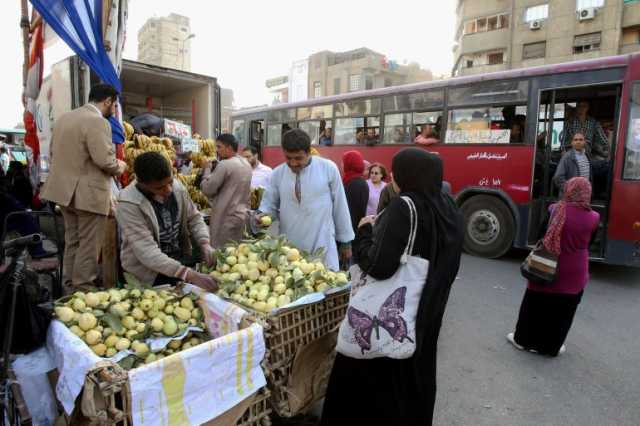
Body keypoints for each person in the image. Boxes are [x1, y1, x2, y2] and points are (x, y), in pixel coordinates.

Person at [321, 148, 464, 426]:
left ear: (403, 175)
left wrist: (363, 233)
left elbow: (378, 266)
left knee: (374, 379)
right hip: (426, 314)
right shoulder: (448, 206)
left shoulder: (405, 205)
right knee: (414, 376)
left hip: (387, 318)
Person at [41, 84, 127, 290]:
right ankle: (83, 288)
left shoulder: (65, 119)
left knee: (73, 242)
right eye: (114, 105)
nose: (114, 111)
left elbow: (53, 153)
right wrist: (120, 166)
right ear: (106, 101)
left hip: (64, 193)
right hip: (88, 196)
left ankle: (69, 287)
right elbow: (104, 160)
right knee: (89, 245)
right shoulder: (97, 122)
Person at [507, 177, 599, 357]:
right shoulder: (594, 217)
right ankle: (551, 347)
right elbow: (590, 243)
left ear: (568, 190)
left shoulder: (555, 210)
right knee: (563, 312)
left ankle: (523, 340)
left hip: (546, 265)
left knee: (534, 304)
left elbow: (541, 234)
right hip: (575, 272)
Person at [116, 152, 217, 290]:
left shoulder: (177, 188)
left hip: (178, 262)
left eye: (170, 182)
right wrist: (188, 274)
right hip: (148, 274)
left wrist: (204, 242)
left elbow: (194, 218)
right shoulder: (128, 203)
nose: (168, 189)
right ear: (143, 184)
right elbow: (147, 251)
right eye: (160, 187)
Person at [258, 129, 354, 271]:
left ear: (309, 152)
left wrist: (346, 242)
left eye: (298, 158)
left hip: (322, 244)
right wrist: (261, 218)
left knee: (324, 286)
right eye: (288, 158)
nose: (293, 163)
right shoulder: (277, 174)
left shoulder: (328, 169)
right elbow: (268, 207)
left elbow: (340, 206)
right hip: (289, 249)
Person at [200, 134, 252, 248]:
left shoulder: (225, 164)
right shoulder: (246, 164)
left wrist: (207, 170)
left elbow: (207, 189)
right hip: (241, 216)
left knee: (222, 253)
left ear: (228, 148)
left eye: (219, 147)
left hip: (225, 218)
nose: (217, 151)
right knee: (236, 253)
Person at [553, 132, 591, 197]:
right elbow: (558, 178)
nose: (578, 142)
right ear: (572, 143)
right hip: (571, 197)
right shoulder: (567, 157)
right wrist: (570, 190)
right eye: (575, 140)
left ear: (584, 142)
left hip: (584, 195)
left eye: (581, 140)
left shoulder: (586, 156)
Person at [342, 151, 369, 236]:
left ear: (350, 164)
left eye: (343, 162)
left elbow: (353, 211)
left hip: (351, 231)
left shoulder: (355, 183)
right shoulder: (355, 181)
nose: (342, 165)